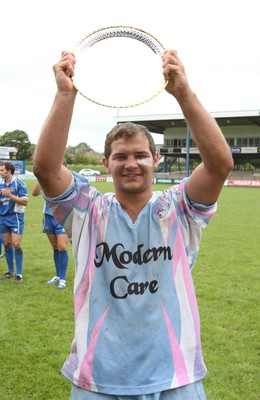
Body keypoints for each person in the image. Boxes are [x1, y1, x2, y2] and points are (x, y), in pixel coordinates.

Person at [33, 49, 233, 400]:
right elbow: (46, 170)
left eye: (140, 155)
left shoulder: (179, 209)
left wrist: (184, 93)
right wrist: (65, 95)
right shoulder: (87, 211)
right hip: (99, 378)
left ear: (155, 160)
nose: (131, 164)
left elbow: (219, 165)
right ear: (105, 162)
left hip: (176, 376)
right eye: (121, 156)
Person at [31, 177, 69, 289]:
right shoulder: (46, 180)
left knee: (62, 247)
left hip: (63, 216)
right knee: (55, 247)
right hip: (48, 216)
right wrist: (40, 176)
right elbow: (34, 193)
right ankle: (58, 276)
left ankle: (63, 279)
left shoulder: (68, 180)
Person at [0, 162, 28, 283]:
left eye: (1, 170)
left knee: (16, 244)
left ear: (9, 171)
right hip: (2, 217)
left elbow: (25, 201)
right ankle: (10, 271)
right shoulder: (0, 183)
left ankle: (19, 273)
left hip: (15, 217)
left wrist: (10, 195)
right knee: (6, 243)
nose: (0, 172)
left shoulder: (19, 184)